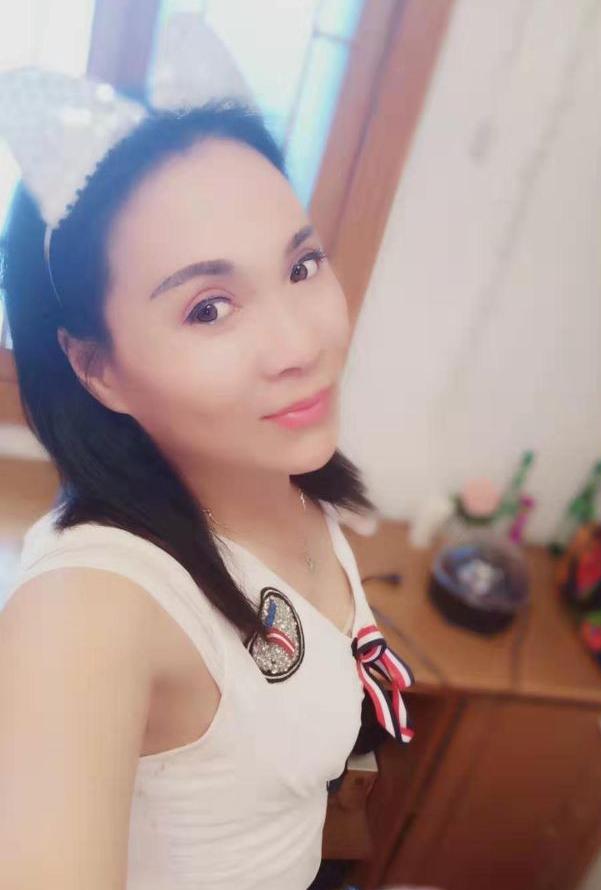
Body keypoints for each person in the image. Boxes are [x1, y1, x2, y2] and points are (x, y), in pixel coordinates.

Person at [0, 70, 413, 890]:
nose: (300, 345)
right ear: (98, 368)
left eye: (302, 266)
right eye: (209, 309)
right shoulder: (85, 609)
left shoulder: (283, 477)